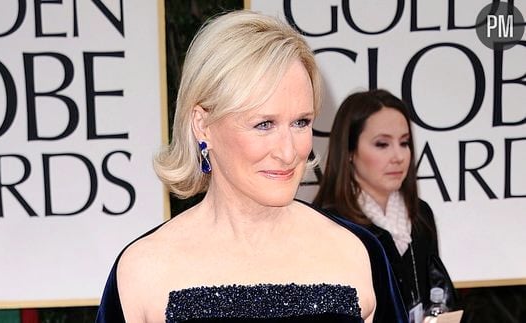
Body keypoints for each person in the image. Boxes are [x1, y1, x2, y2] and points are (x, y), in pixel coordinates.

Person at [96, 11, 407, 323]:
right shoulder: (143, 270)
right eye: (264, 124)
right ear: (203, 125)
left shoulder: (358, 252)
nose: (288, 152)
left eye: (301, 122)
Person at [313, 89, 456, 322]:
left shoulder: (420, 215)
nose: (398, 156)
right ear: (350, 152)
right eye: (382, 144)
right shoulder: (331, 226)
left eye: (404, 143)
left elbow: (437, 294)